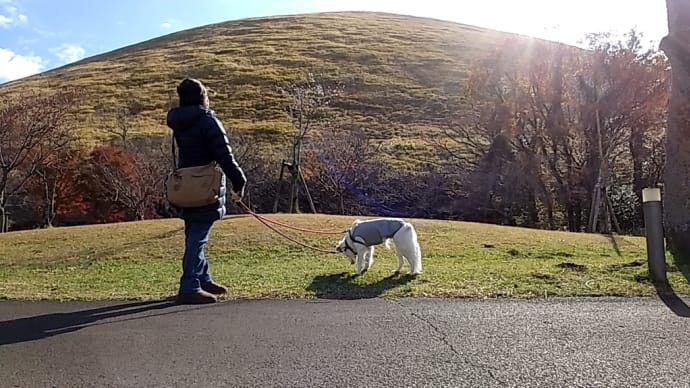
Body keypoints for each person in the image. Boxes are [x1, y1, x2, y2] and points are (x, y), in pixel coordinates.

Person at [166, 78, 247, 304]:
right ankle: (190, 286)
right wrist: (239, 180)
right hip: (203, 185)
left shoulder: (178, 121)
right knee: (198, 237)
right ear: (202, 95)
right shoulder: (207, 120)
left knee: (194, 233)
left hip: (185, 185)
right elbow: (224, 155)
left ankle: (203, 278)